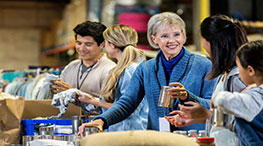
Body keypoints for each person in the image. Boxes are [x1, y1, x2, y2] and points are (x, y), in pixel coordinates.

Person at [78, 12, 216, 136]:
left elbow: (212, 105)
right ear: (154, 39)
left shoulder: (204, 65)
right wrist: (102, 120)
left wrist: (187, 96)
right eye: (164, 36)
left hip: (193, 140)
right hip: (159, 139)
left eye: (177, 34)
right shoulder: (146, 69)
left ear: (184, 36)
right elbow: (127, 103)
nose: (172, 41)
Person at [165, 15, 248, 146]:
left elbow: (247, 124)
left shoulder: (238, 77)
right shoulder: (224, 74)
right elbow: (224, 119)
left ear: (212, 43)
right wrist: (195, 118)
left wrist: (207, 114)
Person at [76, 24, 148, 131]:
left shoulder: (132, 70)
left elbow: (128, 108)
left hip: (129, 132)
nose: (105, 47)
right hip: (119, 131)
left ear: (112, 45)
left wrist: (93, 101)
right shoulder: (120, 69)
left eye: (105, 43)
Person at [211, 40, 263, 146]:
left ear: (250, 70)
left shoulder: (256, 97)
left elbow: (222, 100)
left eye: (239, 67)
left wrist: (215, 98)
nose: (238, 73)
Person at [51, 21, 116, 97]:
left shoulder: (110, 70)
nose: (82, 48)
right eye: (79, 43)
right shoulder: (70, 67)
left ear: (102, 44)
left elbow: (108, 104)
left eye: (88, 44)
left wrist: (73, 94)